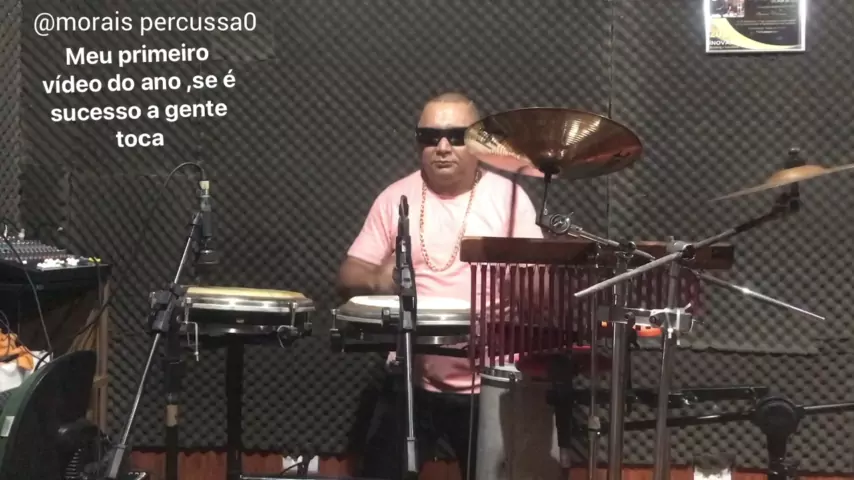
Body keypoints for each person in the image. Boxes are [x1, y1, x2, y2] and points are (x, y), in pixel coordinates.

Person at [337, 92, 544, 480]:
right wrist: (378, 279)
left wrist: (530, 281)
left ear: (479, 142)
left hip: (490, 384)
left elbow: (535, 289)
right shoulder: (396, 197)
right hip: (413, 377)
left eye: (456, 136)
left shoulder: (510, 199)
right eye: (430, 137)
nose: (443, 147)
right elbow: (349, 273)